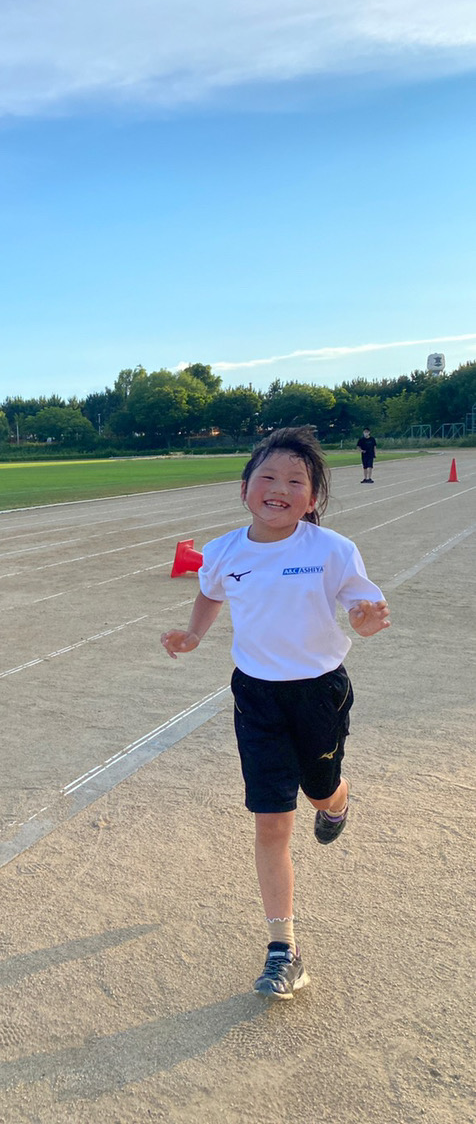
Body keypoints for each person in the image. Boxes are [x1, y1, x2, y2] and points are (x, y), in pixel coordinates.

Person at [160, 427, 390, 1000]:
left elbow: (361, 602)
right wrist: (192, 633)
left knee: (320, 789)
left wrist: (364, 619)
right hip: (256, 696)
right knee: (270, 819)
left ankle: (336, 804)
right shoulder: (222, 551)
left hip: (319, 692)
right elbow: (213, 591)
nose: (279, 488)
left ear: (312, 499)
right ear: (245, 488)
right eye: (267, 477)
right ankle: (283, 949)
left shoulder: (331, 550)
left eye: (296, 481)